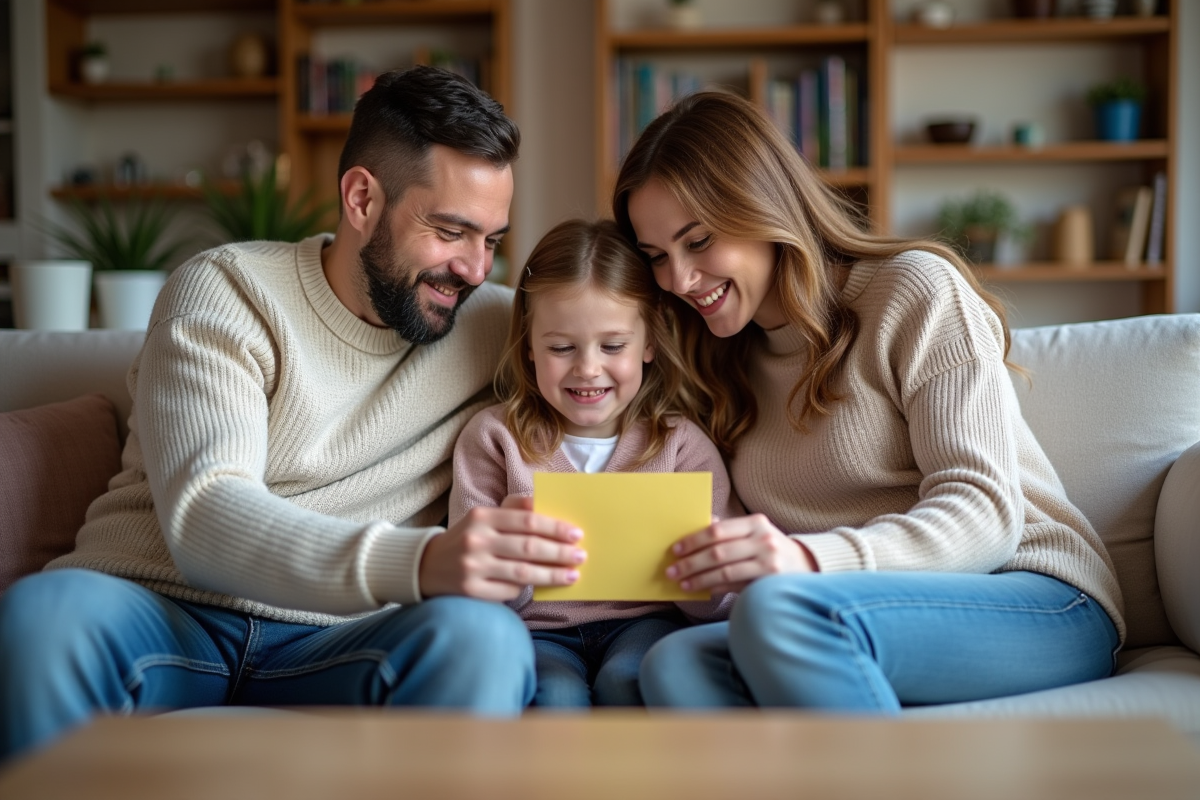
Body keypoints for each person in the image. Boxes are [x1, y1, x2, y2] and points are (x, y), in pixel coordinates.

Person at [0, 66, 587, 763]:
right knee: (43, 618)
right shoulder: (226, 289)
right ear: (362, 198)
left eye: (491, 240)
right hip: (162, 610)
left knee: (483, 639)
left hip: (343, 638)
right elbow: (207, 517)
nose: (474, 268)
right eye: (451, 231)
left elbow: (639, 361)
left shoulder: (496, 323)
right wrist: (425, 559)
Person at [612, 91, 1124, 711]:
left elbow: (987, 514)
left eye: (698, 241)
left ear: (763, 207)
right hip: (845, 612)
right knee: (672, 663)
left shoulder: (913, 292)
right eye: (657, 257)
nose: (679, 280)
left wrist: (805, 557)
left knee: (781, 613)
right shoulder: (717, 357)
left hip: (1037, 594)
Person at [448, 219, 741, 708]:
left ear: (648, 343)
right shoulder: (494, 439)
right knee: (555, 696)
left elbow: (720, 606)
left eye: (612, 346)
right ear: (529, 347)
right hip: (536, 631)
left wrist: (706, 569)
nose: (587, 368)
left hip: (647, 625)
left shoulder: (681, 446)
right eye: (561, 348)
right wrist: (512, 559)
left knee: (629, 682)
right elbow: (469, 594)